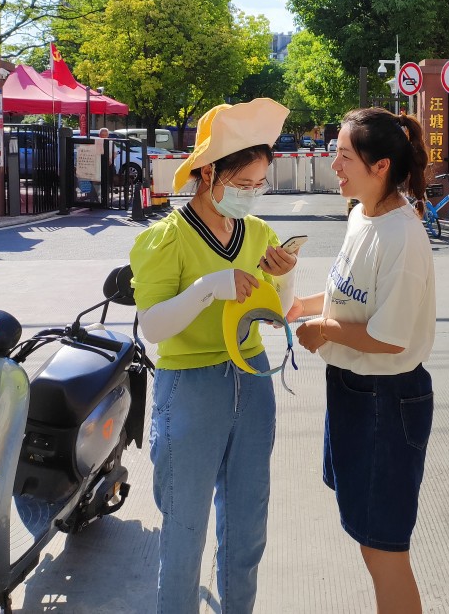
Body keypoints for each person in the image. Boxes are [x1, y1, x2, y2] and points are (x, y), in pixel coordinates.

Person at [129, 98, 299, 614]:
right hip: (190, 387)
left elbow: (277, 314)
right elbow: (153, 326)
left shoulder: (259, 234)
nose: (251, 194)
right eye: (242, 183)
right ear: (207, 174)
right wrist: (207, 289)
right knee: (184, 529)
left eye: (258, 185)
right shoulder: (166, 238)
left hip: (252, 382)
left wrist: (285, 274)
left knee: (248, 524)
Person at [291, 107, 436, 614]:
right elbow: (349, 295)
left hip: (386, 402)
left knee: (384, 550)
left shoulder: (402, 236)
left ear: (380, 167)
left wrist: (323, 330)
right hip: (353, 391)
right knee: (369, 540)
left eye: (344, 156)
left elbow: (390, 338)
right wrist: (301, 307)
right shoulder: (361, 216)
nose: (334, 166)